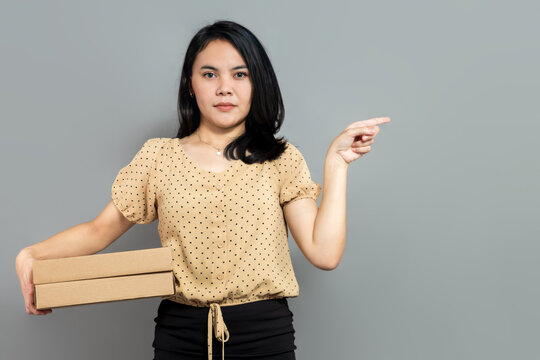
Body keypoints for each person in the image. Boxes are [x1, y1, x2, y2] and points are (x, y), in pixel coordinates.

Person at [15, 20, 390, 360]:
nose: (225, 87)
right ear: (190, 85)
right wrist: (32, 254)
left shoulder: (280, 158)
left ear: (257, 83)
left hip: (265, 337)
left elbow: (324, 253)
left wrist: (336, 164)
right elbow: (98, 232)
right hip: (180, 336)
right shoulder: (158, 157)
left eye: (240, 74)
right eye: (209, 74)